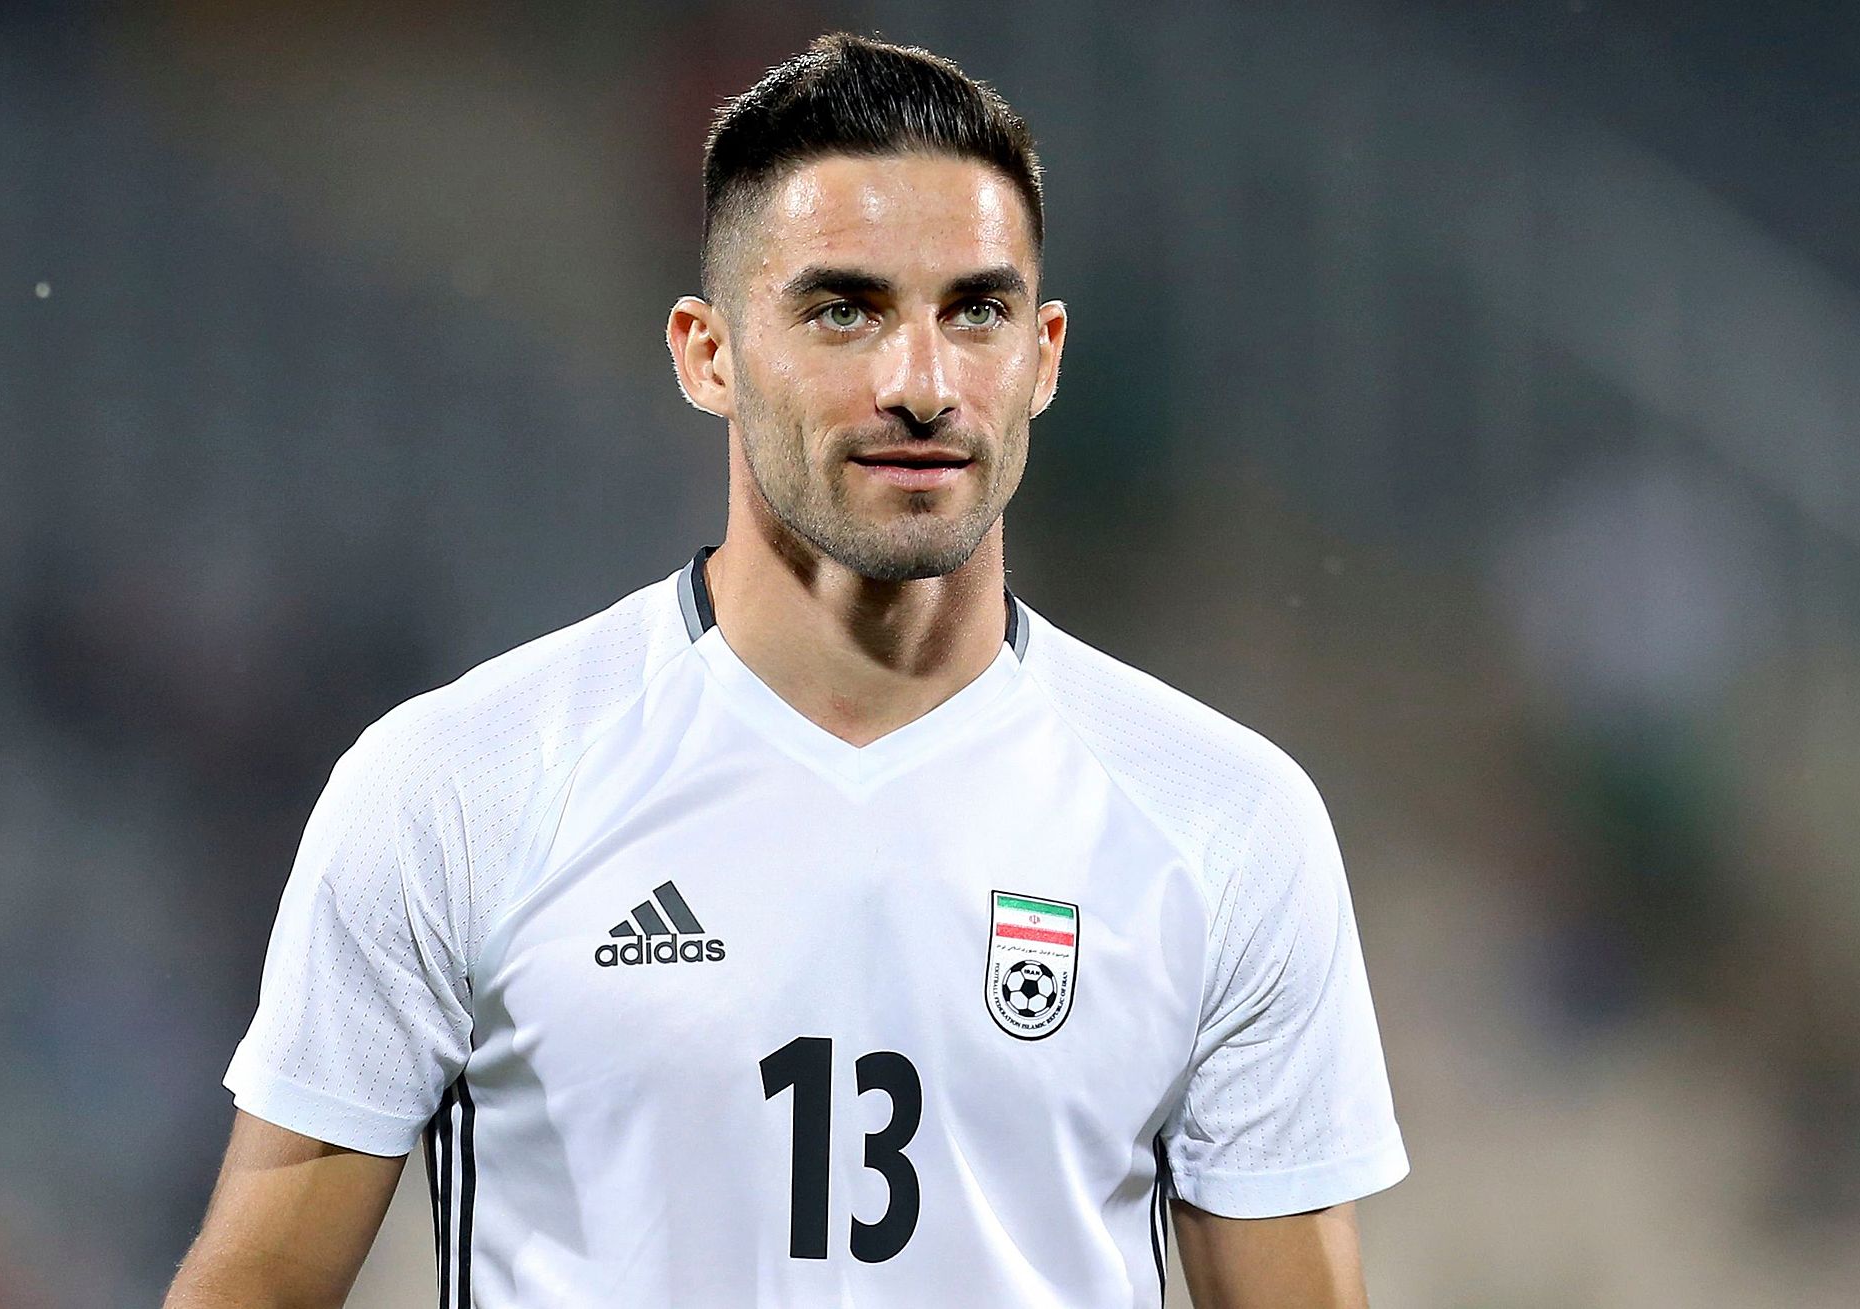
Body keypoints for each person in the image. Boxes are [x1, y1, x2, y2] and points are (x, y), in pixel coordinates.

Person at [165, 32, 1407, 1309]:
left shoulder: (1224, 822)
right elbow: (256, 1289)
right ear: (705, 354)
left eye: (974, 311)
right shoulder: (457, 787)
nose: (920, 384)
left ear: (1042, 355)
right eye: (842, 310)